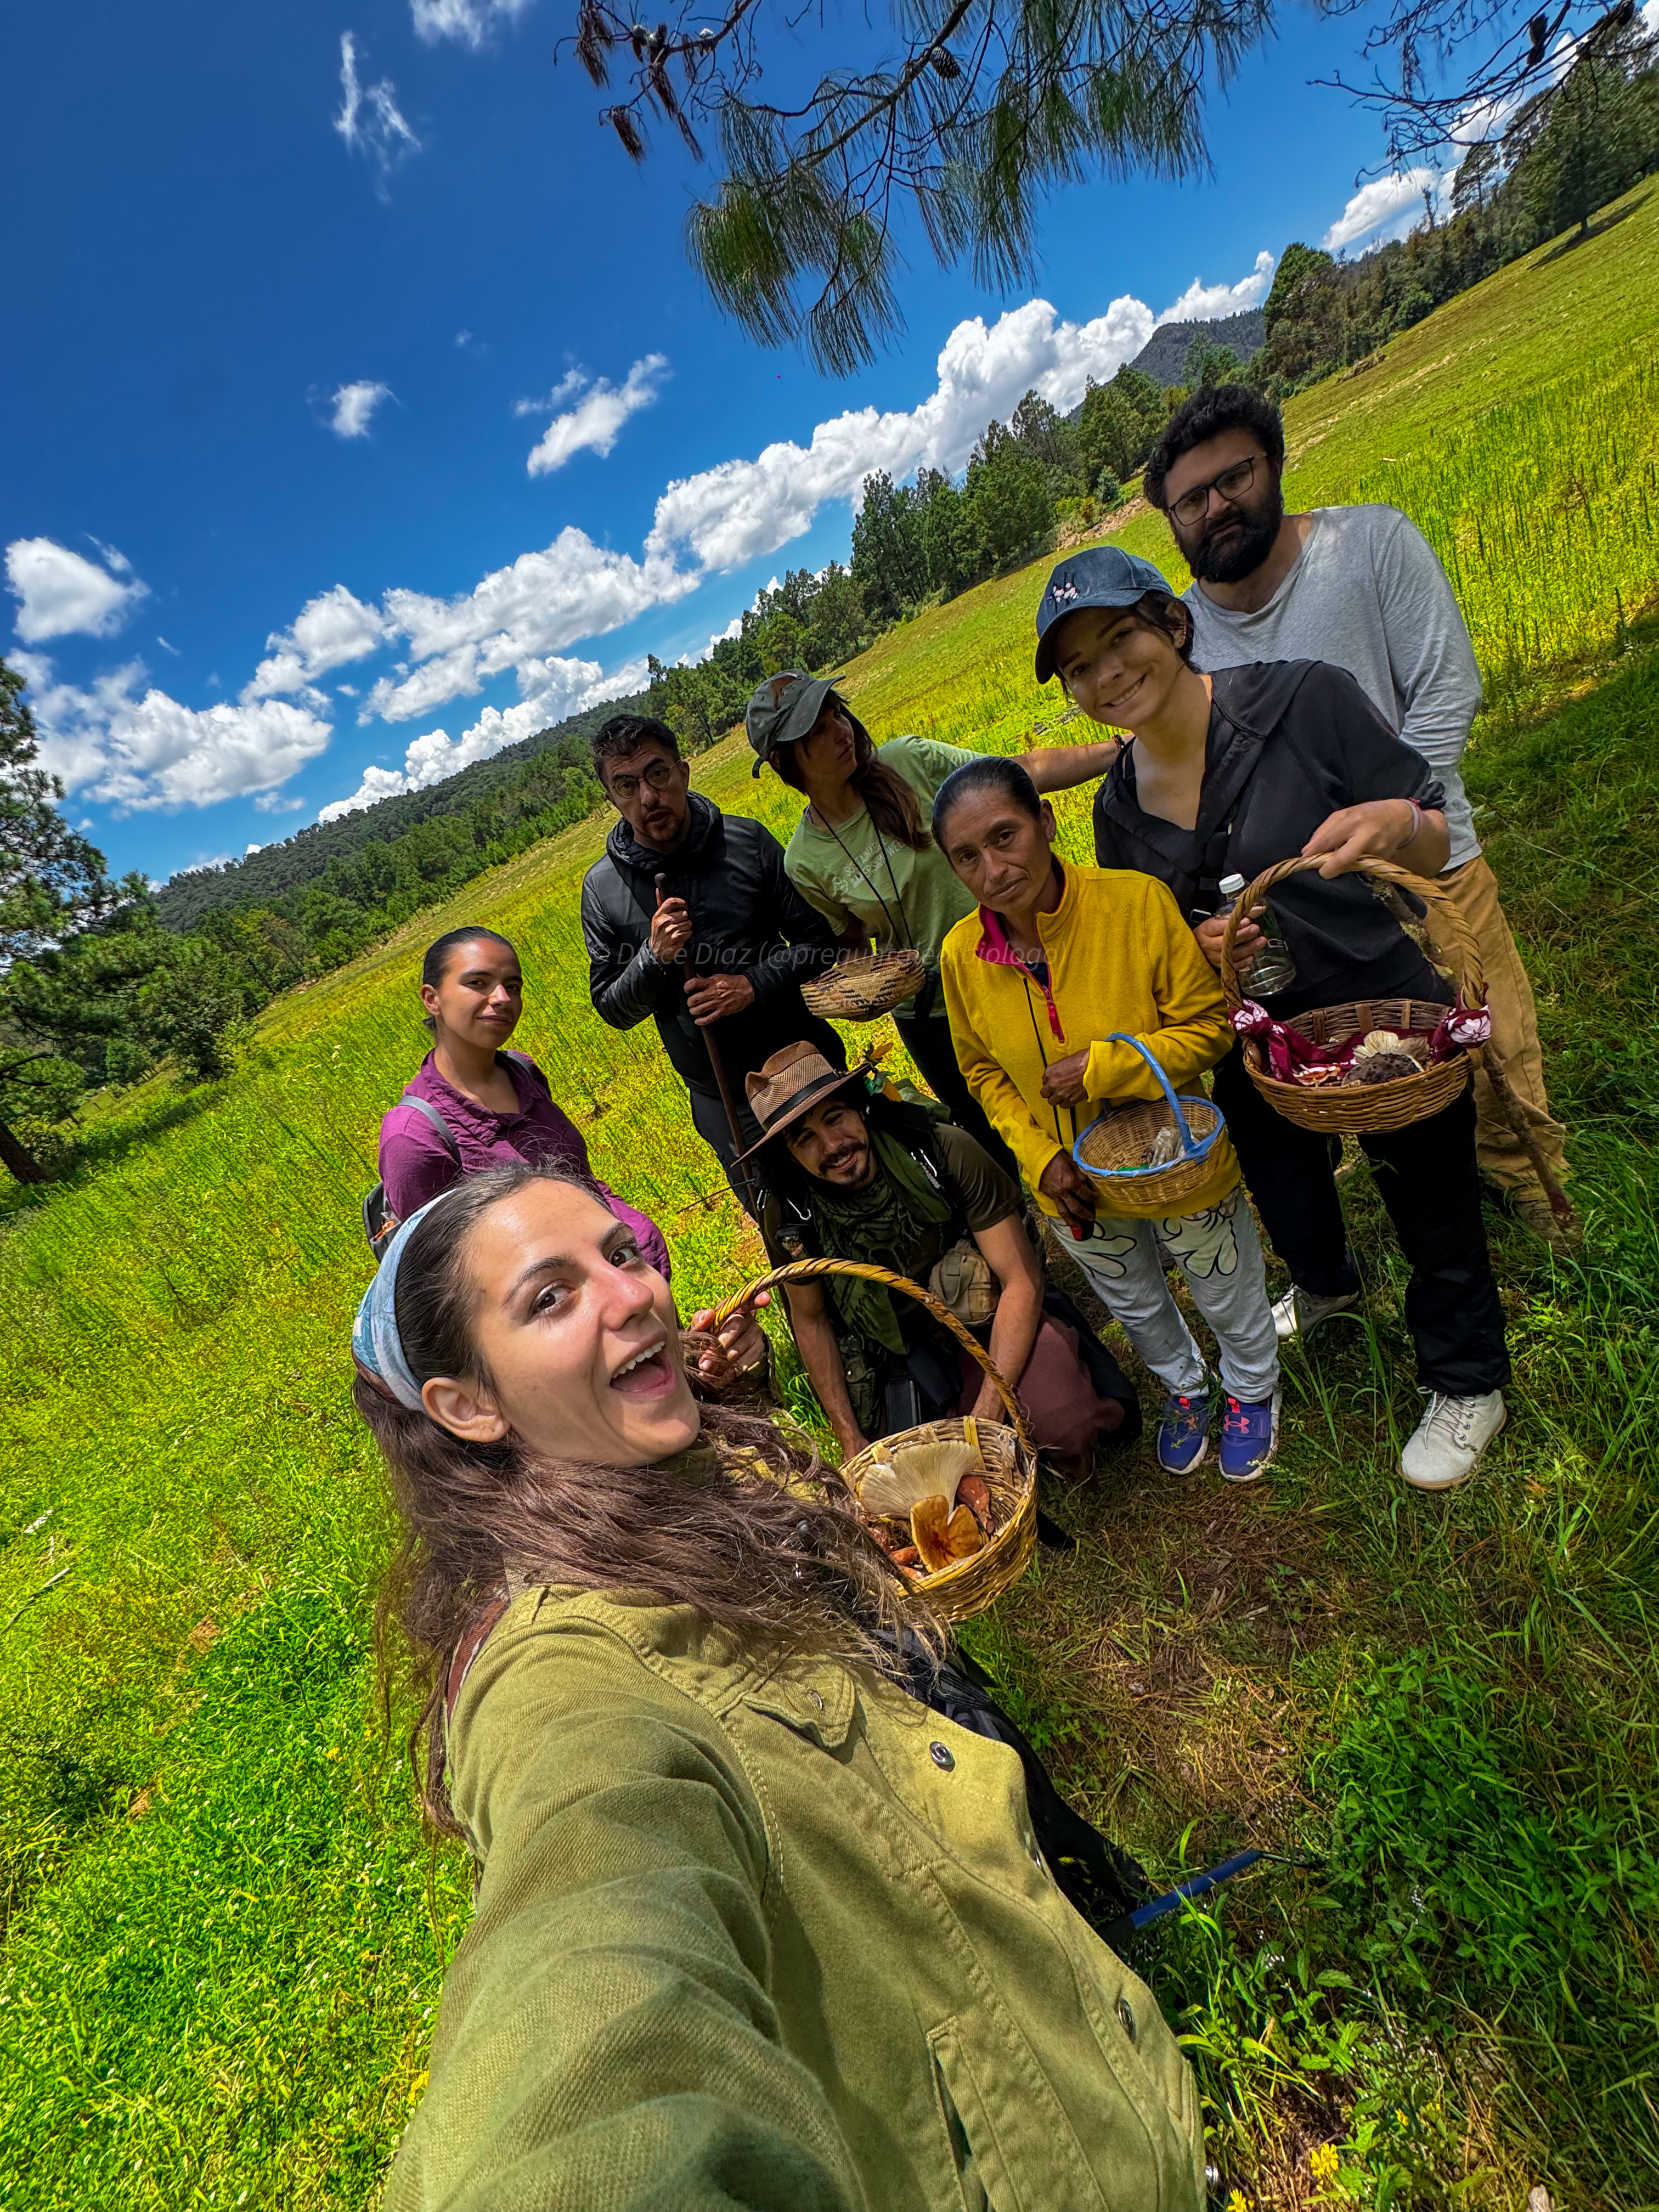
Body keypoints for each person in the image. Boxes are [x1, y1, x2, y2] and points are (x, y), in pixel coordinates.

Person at [351, 1165, 1206, 2212]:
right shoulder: (557, 1680)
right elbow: (588, 1941)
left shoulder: (658, 1481)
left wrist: (729, 1402)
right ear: (465, 1404)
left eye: (620, 1254)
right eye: (549, 1296)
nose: (632, 1296)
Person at [1035, 544, 1514, 1492]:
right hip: (1259, 1042)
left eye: (1119, 636)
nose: (1105, 673)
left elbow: (1429, 835)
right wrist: (1199, 948)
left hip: (1378, 1009)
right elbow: (1156, 939)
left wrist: (1390, 825)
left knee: (1429, 1201)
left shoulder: (1300, 700)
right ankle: (1329, 1282)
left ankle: (1467, 1379)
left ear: (1171, 625)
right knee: (1283, 1194)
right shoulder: (1117, 809)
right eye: (1078, 664)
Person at [1143, 382, 1574, 1246]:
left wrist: (1404, 810)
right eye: (1192, 499)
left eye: (1233, 478)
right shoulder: (1185, 640)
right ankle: (1423, 1201)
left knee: (1495, 1040)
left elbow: (1448, 689)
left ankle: (1533, 1193)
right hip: (1310, 915)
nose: (1217, 508)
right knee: (1365, 1063)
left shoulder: (1371, 545)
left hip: (1428, 861)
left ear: (1274, 464)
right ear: (1173, 523)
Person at [934, 756, 1284, 1484]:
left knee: (1222, 1279)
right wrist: (1040, 1159)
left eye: (1005, 837)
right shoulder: (962, 955)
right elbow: (983, 1072)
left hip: (1175, 1153)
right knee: (1134, 1298)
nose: (993, 868)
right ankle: (1186, 1389)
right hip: (1072, 1184)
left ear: (1047, 822)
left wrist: (1103, 1068)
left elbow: (1210, 1027)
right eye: (968, 857)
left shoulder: (1136, 905)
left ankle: (1251, 1389)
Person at [746, 671, 1119, 1182]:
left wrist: (1121, 749)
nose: (840, 731)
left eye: (835, 712)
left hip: (1021, 966)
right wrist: (859, 990)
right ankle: (1024, 1236)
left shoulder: (907, 762)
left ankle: (1131, 1180)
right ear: (784, 763)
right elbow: (852, 943)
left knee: (1083, 1090)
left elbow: (1018, 775)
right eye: (815, 732)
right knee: (989, 1129)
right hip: (932, 1012)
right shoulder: (805, 860)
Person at [737, 1040, 1138, 1478]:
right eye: (805, 1139)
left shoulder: (939, 1149)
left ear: (860, 1109)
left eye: (836, 1118)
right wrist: (851, 1440)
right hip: (895, 1351)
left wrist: (986, 1419)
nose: (832, 1145)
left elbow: (1022, 1282)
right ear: (791, 1157)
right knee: (915, 1481)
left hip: (988, 1317)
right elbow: (810, 1321)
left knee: (1065, 1425)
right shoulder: (791, 1214)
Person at [580, 712, 844, 1214]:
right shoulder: (604, 889)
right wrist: (653, 957)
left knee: (859, 1181)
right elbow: (614, 1009)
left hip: (802, 1058)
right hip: (723, 1101)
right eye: (626, 785)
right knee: (783, 1226)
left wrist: (751, 985)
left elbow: (817, 943)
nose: (648, 798)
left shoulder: (746, 842)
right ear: (611, 799)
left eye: (658, 774)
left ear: (683, 770)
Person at [378, 924, 670, 1279]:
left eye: (512, 986)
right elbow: (443, 1279)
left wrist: (633, 1235)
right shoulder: (414, 1137)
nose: (502, 998)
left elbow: (580, 1179)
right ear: (432, 998)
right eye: (478, 983)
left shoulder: (522, 1070)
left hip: (633, 1282)